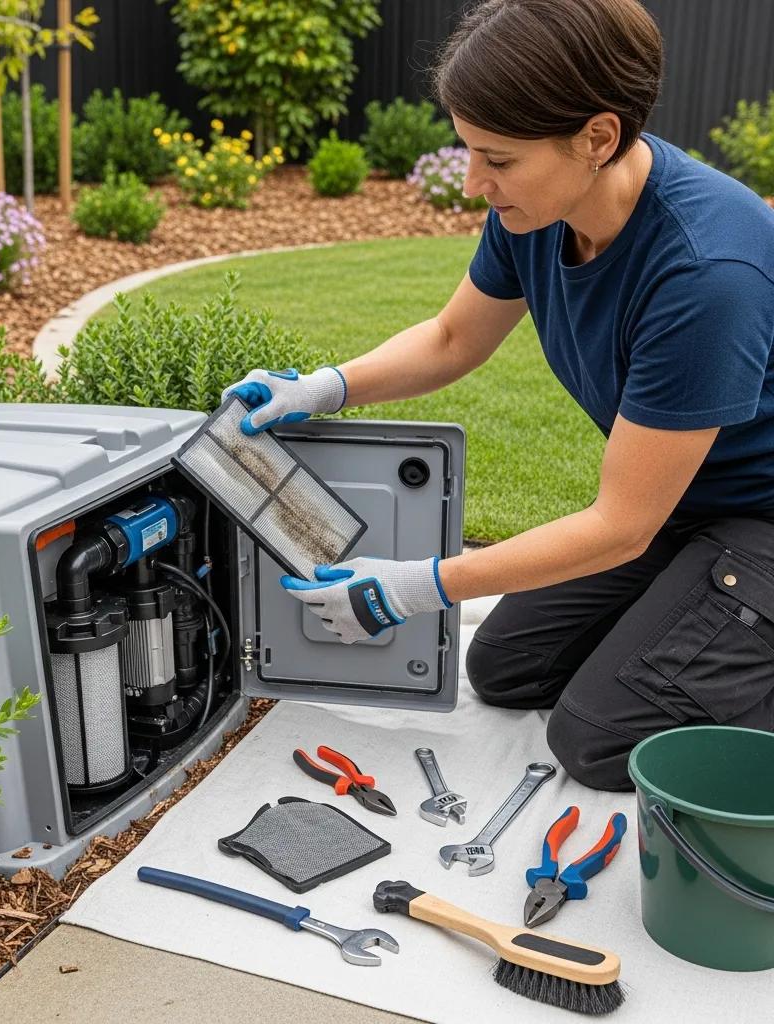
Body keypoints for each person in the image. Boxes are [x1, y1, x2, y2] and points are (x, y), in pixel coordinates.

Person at [221, 0, 774, 792]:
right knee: (507, 668)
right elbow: (454, 339)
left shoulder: (706, 272)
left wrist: (411, 587)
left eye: (499, 160)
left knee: (595, 736)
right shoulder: (536, 212)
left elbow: (622, 525)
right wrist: (322, 388)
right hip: (684, 511)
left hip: (758, 522)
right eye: (468, 151)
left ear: (598, 138)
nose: (475, 182)